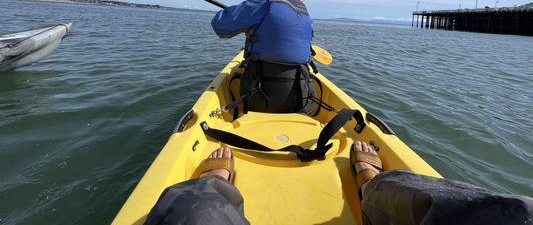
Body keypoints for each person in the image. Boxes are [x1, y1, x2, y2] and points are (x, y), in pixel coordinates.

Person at [145, 144, 533, 225]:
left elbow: (221, 27)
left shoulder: (257, 8)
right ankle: (372, 184)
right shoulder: (303, 15)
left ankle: (213, 185)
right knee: (516, 214)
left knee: (194, 213)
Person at [211, 0, 317, 114]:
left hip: (260, 98)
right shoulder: (306, 15)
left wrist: (239, 15)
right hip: (300, 99)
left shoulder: (261, 7)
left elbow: (219, 25)